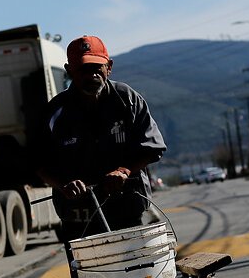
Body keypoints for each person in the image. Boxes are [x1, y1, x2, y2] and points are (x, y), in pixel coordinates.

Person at [36, 35, 167, 245]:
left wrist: (123, 171)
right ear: (69, 71)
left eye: (97, 67)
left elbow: (152, 148)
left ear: (109, 66)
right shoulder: (55, 112)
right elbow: (40, 163)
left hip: (127, 210)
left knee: (135, 273)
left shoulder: (128, 100)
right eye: (83, 70)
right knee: (88, 276)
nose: (92, 75)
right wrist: (64, 185)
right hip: (79, 219)